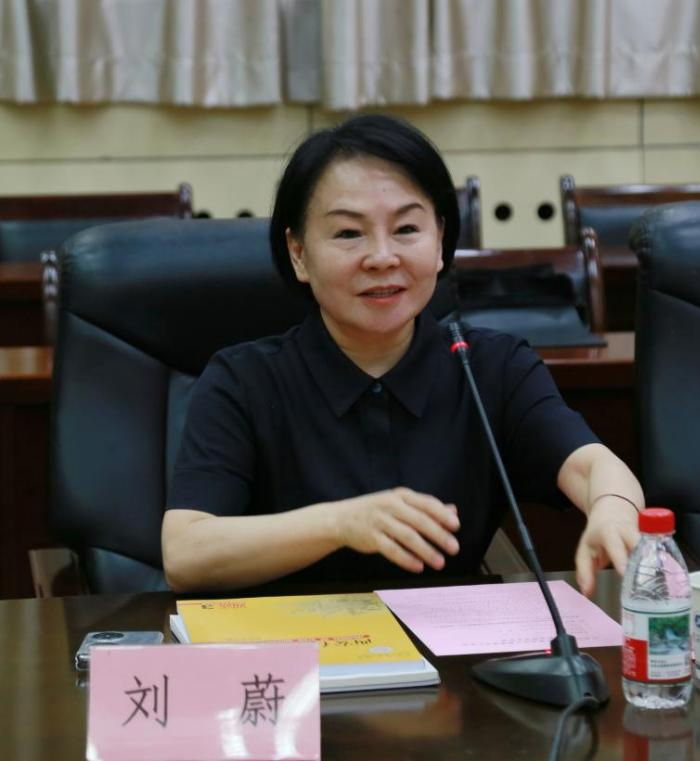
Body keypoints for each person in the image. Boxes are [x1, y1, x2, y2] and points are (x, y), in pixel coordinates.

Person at [162, 114, 643, 597]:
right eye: (348, 233)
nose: (382, 257)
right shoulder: (243, 380)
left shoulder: (492, 368)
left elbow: (591, 466)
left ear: (440, 243)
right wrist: (340, 523)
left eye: (407, 228)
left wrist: (613, 509)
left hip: (454, 642)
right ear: (299, 253)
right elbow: (185, 554)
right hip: (286, 641)